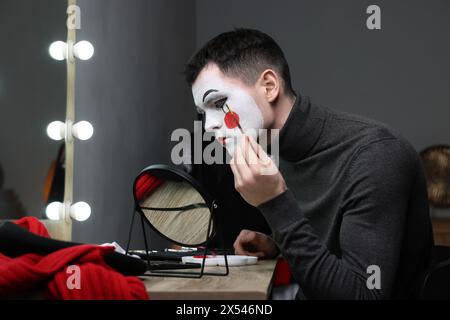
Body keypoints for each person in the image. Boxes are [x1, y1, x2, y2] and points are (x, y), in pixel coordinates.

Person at [183, 28, 433, 299]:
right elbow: (330, 243)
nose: (209, 126)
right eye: (202, 112)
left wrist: (276, 205)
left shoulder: (377, 154)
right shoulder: (275, 149)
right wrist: (277, 244)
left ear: (269, 86)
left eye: (218, 103)